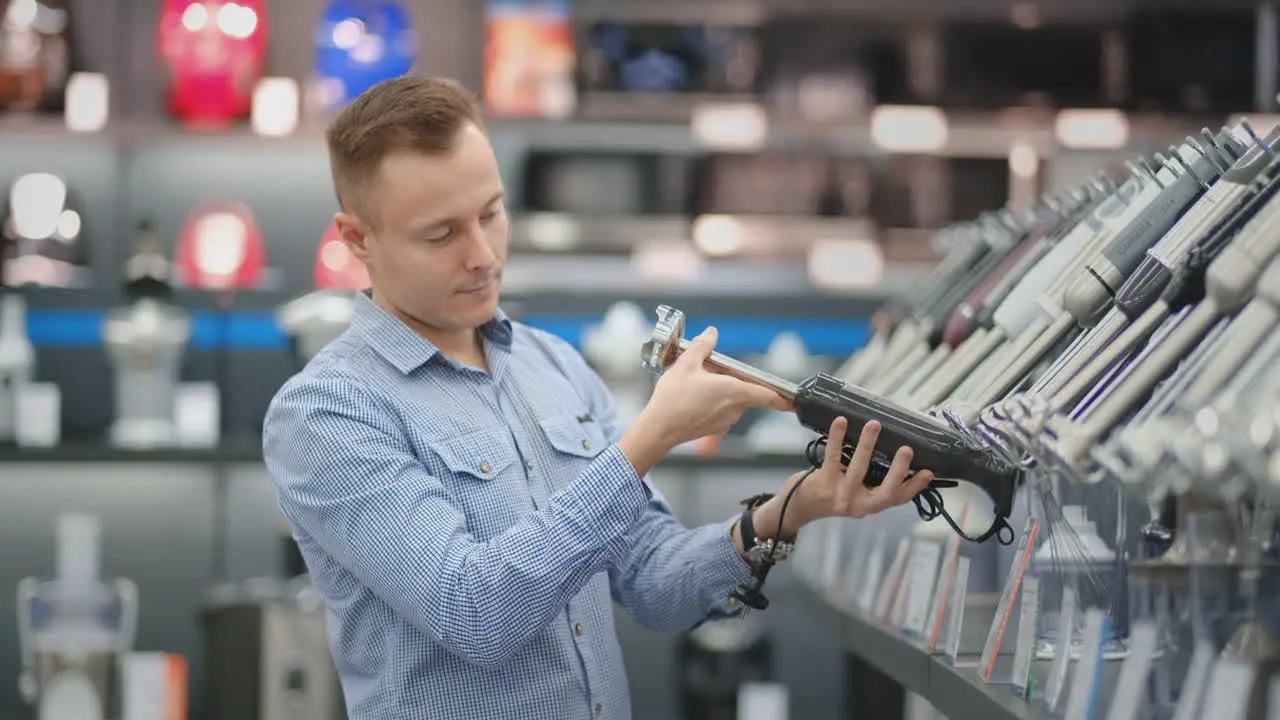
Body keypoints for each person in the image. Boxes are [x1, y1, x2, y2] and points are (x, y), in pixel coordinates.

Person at [261, 74, 936, 720]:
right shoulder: (328, 413)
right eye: (441, 234)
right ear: (357, 239)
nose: (483, 255)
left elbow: (655, 585)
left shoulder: (550, 364)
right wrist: (647, 439)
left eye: (492, 214)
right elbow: (475, 612)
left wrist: (789, 511)